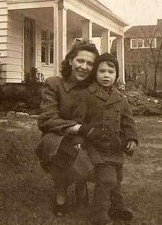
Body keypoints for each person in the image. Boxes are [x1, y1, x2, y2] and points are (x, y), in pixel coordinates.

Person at [36, 39, 99, 216]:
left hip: (86, 137)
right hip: (57, 135)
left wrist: (83, 134)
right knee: (59, 146)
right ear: (71, 60)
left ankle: (81, 184)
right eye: (80, 60)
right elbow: (47, 119)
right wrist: (77, 129)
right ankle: (61, 192)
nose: (84, 67)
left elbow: (98, 118)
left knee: (86, 148)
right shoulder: (53, 84)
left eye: (89, 63)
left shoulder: (93, 88)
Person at [78, 52, 138, 225]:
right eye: (102, 71)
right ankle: (99, 215)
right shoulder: (88, 95)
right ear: (95, 73)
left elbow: (128, 121)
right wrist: (86, 134)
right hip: (96, 145)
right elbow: (79, 119)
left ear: (116, 76)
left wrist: (132, 139)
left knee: (117, 179)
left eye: (110, 72)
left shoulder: (120, 98)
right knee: (106, 180)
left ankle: (117, 207)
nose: (106, 75)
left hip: (115, 146)